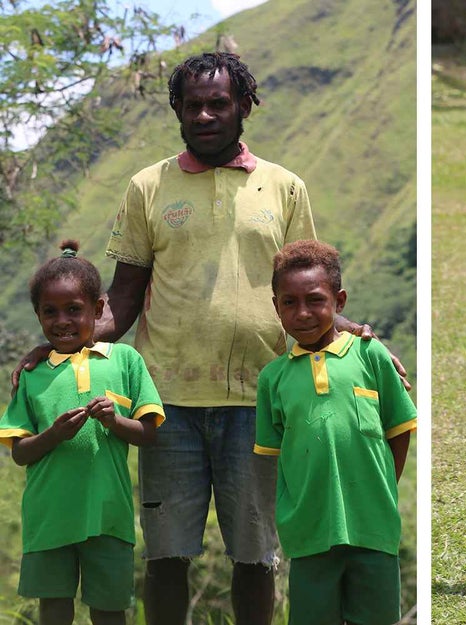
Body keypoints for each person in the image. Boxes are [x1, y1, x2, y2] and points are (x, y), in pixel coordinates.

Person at [10, 52, 404, 624]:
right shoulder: (148, 187)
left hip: (262, 399)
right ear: (177, 110)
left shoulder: (284, 187)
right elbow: (121, 298)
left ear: (244, 106)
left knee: (255, 553)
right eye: (191, 105)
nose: (204, 115)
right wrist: (57, 348)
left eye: (218, 103)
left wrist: (365, 339)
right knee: (167, 552)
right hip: (164, 403)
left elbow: (306, 287)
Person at [254, 240, 416, 625]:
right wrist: (285, 516)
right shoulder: (272, 379)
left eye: (315, 300)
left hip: (373, 527)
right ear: (276, 308)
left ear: (339, 302)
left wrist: (382, 489)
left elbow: (399, 428)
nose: (303, 313)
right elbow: (270, 458)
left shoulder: (370, 354)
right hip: (308, 534)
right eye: (289, 303)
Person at [0, 241, 163, 624]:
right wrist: (52, 435)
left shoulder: (124, 360)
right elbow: (20, 452)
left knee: (109, 610)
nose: (62, 321)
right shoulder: (32, 374)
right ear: (38, 316)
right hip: (49, 516)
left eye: (74, 310)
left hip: (109, 514)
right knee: (54, 609)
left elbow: (148, 431)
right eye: (49, 312)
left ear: (99, 308)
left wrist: (114, 421)